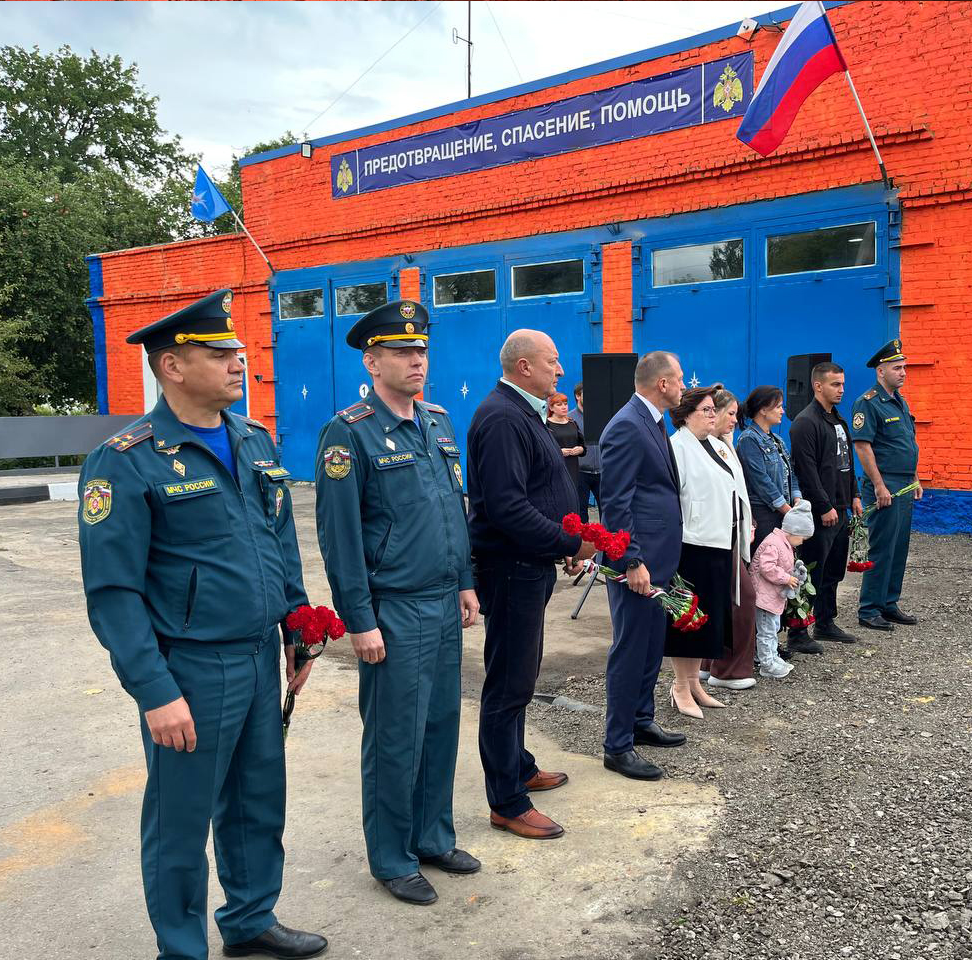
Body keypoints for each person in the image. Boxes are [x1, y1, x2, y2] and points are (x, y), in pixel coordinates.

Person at [77, 289, 328, 960]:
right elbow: (113, 594)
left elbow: (279, 543)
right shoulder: (127, 460)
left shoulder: (253, 440)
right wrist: (154, 690)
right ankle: (182, 948)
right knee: (181, 821)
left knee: (257, 802)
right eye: (219, 354)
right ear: (172, 367)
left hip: (256, 654)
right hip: (190, 666)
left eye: (237, 352)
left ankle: (249, 919)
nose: (238, 363)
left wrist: (298, 628)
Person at [314, 300, 481, 906]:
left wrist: (464, 580)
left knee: (439, 728)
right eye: (403, 351)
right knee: (395, 737)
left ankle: (432, 837)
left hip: (442, 601)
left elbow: (453, 510)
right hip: (394, 608)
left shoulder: (438, 422)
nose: (417, 361)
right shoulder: (349, 432)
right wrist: (359, 620)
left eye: (422, 350)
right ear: (372, 360)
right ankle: (391, 856)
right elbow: (340, 537)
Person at [467, 331, 595, 838]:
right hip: (510, 568)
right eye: (552, 361)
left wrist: (560, 544)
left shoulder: (523, 412)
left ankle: (518, 767)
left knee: (521, 676)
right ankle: (507, 801)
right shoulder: (503, 417)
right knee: (508, 683)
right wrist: (569, 544)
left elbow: (538, 491)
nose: (559, 370)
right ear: (523, 366)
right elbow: (507, 508)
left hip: (529, 564)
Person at [600, 350, 687, 781]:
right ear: (662, 384)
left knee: (652, 646)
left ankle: (640, 719)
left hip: (659, 560)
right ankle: (617, 746)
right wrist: (630, 559)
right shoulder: (627, 426)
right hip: (638, 565)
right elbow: (615, 502)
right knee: (631, 649)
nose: (685, 386)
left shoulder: (652, 421)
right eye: (680, 379)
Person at [664, 386, 739, 718]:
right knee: (687, 620)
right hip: (691, 545)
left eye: (713, 409)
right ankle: (680, 686)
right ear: (686, 414)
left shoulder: (715, 445)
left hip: (718, 540)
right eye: (706, 410)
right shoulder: (677, 447)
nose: (713, 415)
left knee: (707, 619)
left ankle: (695, 683)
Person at [789, 361, 863, 652]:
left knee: (833, 571)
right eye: (835, 384)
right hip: (822, 513)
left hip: (842, 507)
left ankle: (825, 622)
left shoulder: (838, 420)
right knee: (811, 571)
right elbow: (806, 471)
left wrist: (855, 495)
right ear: (818, 386)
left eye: (842, 384)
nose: (841, 389)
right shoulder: (805, 422)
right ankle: (798, 633)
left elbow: (847, 463)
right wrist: (823, 506)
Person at [852, 339, 923, 632]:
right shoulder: (868, 403)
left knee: (899, 546)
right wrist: (879, 485)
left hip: (904, 482)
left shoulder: (900, 402)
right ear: (881, 371)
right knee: (882, 547)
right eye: (897, 368)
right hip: (885, 484)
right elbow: (863, 446)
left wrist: (914, 477)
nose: (903, 372)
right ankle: (869, 609)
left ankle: (889, 603)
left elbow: (907, 442)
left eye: (904, 367)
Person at [701, 388, 759, 691]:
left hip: (730, 530)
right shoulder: (706, 446)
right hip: (717, 533)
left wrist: (748, 520)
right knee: (740, 598)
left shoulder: (724, 445)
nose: (735, 420)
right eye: (731, 413)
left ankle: (709, 662)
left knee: (723, 598)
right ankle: (729, 668)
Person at [751, 501, 815, 678]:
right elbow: (767, 567)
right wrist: (787, 578)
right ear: (793, 531)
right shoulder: (774, 544)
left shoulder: (783, 543)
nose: (801, 542)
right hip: (764, 596)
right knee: (766, 631)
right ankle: (767, 663)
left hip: (772, 595)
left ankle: (771, 656)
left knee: (772, 627)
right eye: (802, 538)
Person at [735, 385, 801, 553]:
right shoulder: (749, 439)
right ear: (763, 410)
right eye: (778, 407)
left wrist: (797, 499)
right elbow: (761, 481)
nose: (782, 411)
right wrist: (786, 509)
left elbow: (790, 472)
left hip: (783, 512)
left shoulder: (777, 439)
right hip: (764, 515)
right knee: (765, 562)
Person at [545, 391, 585, 514]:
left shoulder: (572, 423)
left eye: (565, 404)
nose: (564, 407)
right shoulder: (546, 424)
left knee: (574, 503)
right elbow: (542, 449)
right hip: (555, 470)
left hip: (573, 468)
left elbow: (583, 446)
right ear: (551, 408)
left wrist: (580, 449)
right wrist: (558, 452)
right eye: (559, 404)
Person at [573, 382, 602, 519]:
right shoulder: (570, 419)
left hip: (602, 472)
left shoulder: (600, 416)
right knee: (581, 512)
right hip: (580, 473)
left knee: (607, 509)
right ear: (578, 396)